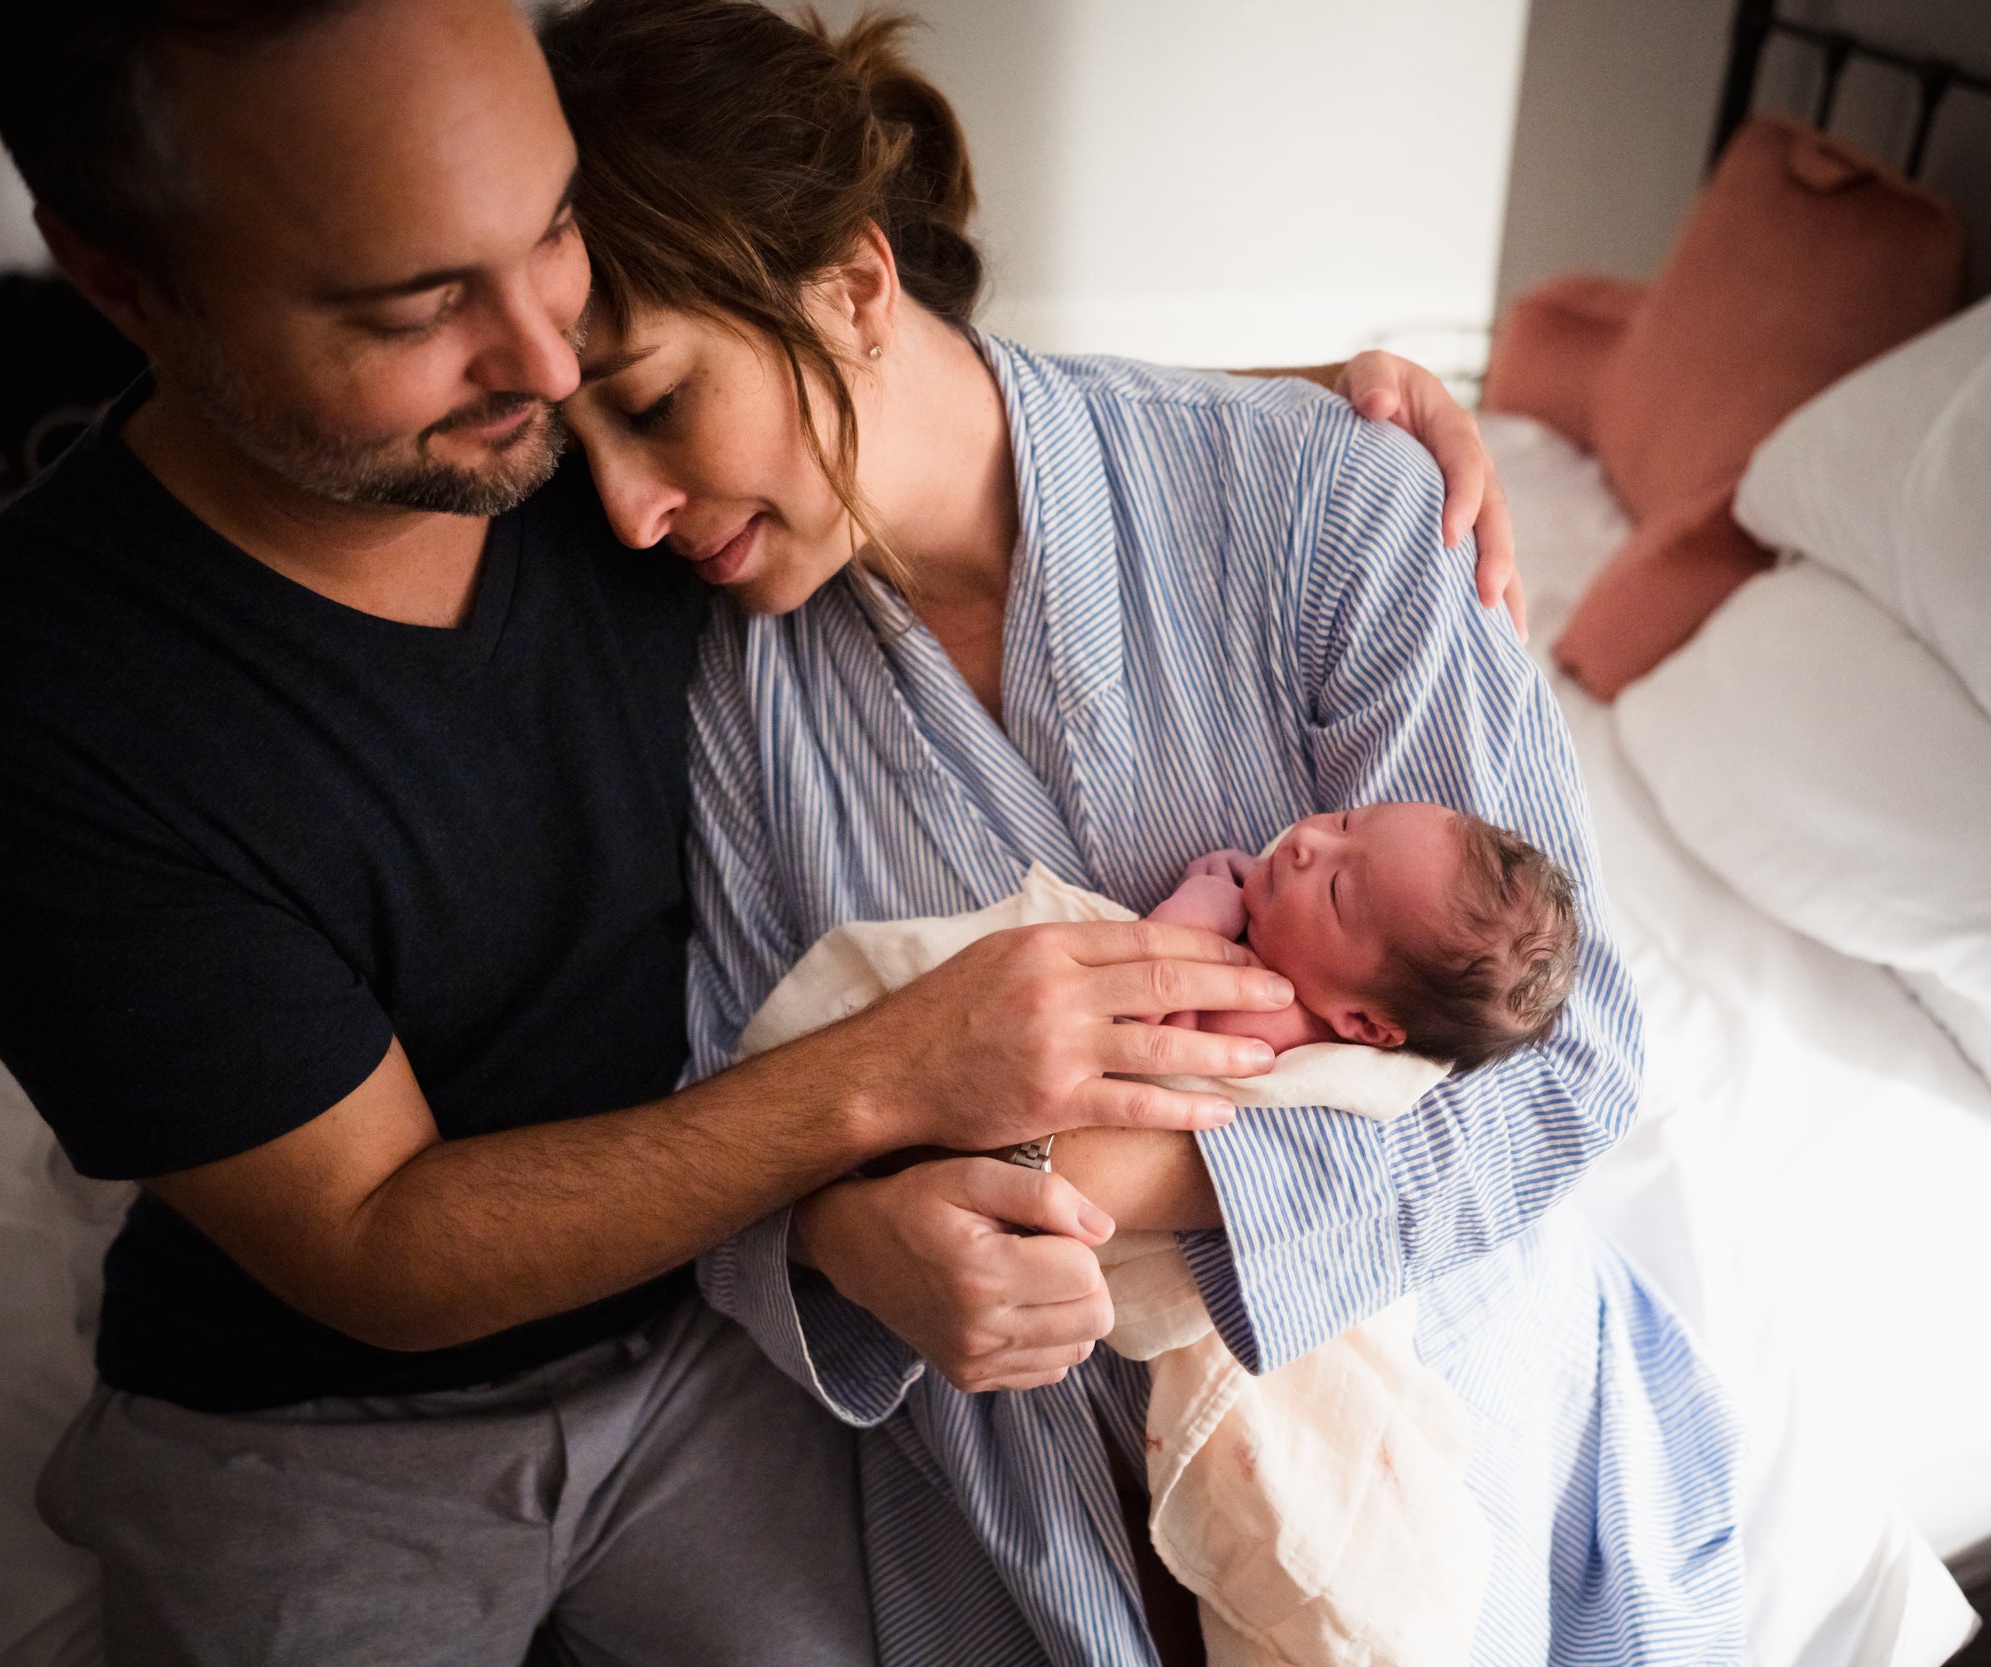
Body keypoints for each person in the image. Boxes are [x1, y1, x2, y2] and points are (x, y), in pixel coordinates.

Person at [0, 0, 1513, 1660]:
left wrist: (1310, 428)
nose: (538, 366)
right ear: (120, 280)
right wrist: (892, 1076)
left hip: (716, 1364)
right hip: (317, 1424)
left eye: (551, 234)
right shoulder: (29, 719)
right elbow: (378, 1243)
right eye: (418, 302)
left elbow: (883, 397)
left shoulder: (601, 480)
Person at [542, 2, 1748, 1663]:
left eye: (657, 404)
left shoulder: (1332, 505)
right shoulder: (733, 682)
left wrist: (1119, 1182)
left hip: (1417, 1406)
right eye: (575, 442)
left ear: (857, 287)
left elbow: (1568, 1055)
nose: (625, 506)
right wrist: (847, 1236)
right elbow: (724, 1095)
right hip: (1030, 1469)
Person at [1142, 803, 1580, 1063]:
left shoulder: (1269, 1020)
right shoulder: (1299, 964)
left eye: (1337, 891)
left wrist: (1202, 905)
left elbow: (1138, 1012)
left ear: (1362, 1023)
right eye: (1349, 821)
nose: (1309, 839)